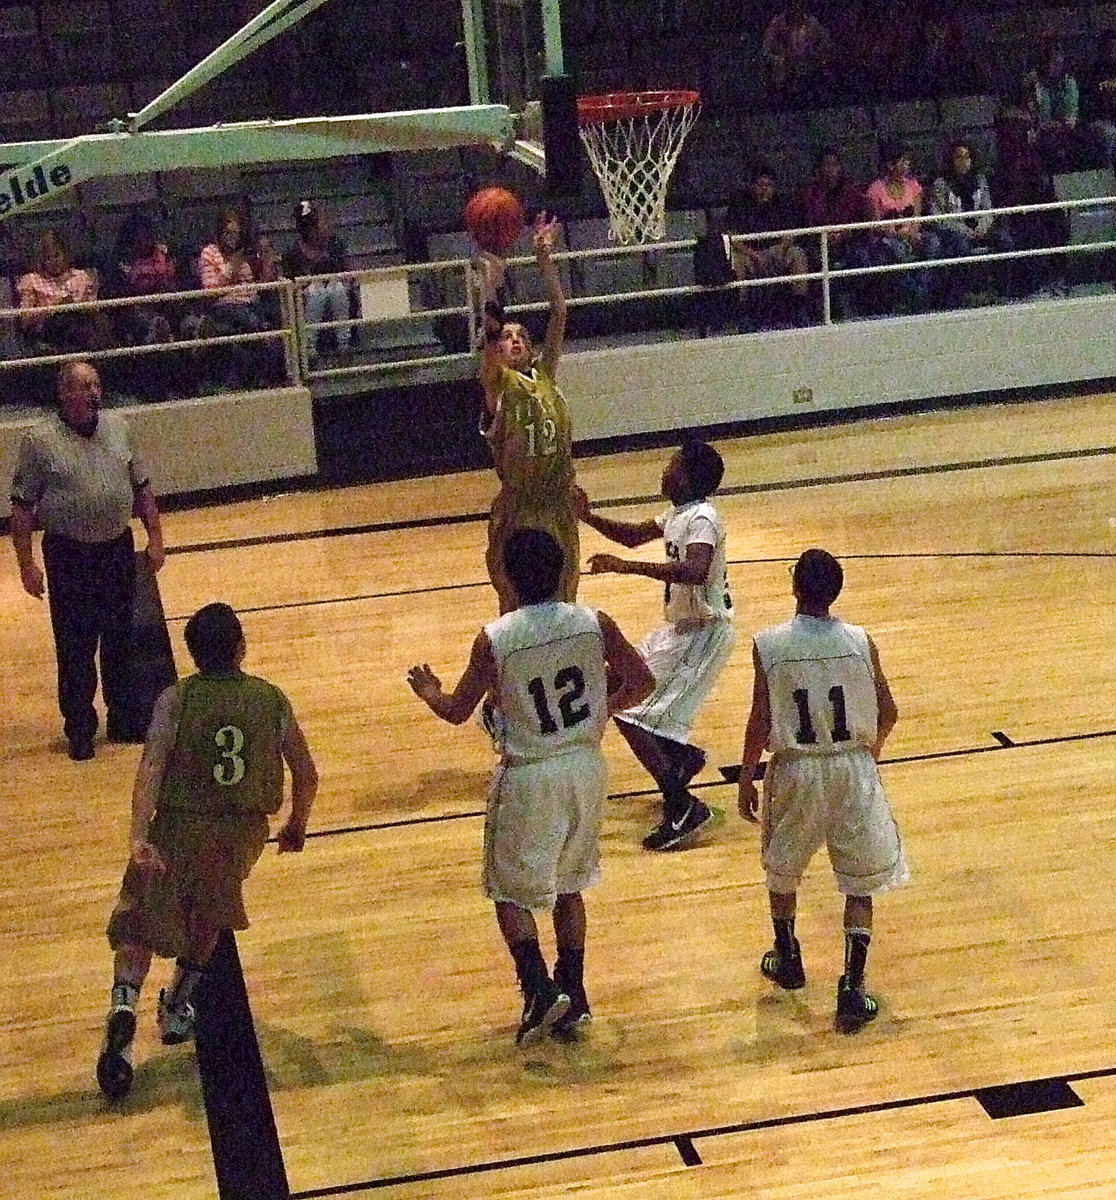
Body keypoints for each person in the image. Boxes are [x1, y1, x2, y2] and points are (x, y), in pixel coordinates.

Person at [407, 528, 654, 1045]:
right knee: (571, 884)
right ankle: (576, 995)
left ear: (507, 576)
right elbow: (643, 682)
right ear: (564, 570)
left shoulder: (496, 637)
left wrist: (430, 693)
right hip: (586, 768)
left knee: (509, 893)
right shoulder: (595, 623)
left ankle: (539, 988)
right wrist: (600, 711)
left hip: (530, 773)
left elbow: (457, 712)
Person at [96, 602, 319, 1100]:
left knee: (139, 924)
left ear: (191, 653)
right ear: (241, 646)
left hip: (177, 827)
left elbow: (151, 768)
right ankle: (176, 1007)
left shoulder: (176, 699)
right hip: (238, 835)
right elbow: (307, 774)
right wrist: (296, 823)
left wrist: (139, 838)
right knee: (208, 920)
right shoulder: (271, 699)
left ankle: (124, 1006)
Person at [737, 549, 908, 1034]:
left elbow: (760, 719)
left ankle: (788, 957)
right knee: (859, 881)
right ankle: (852, 985)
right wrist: (865, 758)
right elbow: (889, 711)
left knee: (783, 867)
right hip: (852, 768)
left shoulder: (769, 644)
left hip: (796, 769)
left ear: (795, 586)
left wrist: (748, 774)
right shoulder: (860, 641)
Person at [572, 441, 735, 852]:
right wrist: (588, 517)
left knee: (630, 708)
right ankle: (679, 758)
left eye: (671, 466)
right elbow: (631, 537)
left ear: (688, 477)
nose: (664, 472)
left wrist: (628, 568)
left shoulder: (704, 518)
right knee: (615, 684)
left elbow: (696, 571)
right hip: (678, 630)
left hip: (703, 631)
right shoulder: (678, 514)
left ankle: (682, 806)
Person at [9, 360, 165, 760]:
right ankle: (79, 726)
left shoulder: (120, 429)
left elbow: (142, 488)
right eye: (84, 386)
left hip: (116, 547)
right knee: (76, 643)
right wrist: (26, 563)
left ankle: (123, 716)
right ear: (64, 394)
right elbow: (23, 507)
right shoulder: (39, 441)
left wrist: (155, 538)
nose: (94, 392)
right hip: (68, 554)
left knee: (119, 638)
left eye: (97, 384)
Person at [477, 212, 578, 613]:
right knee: (517, 604)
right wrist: (490, 286)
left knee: (565, 601)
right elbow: (485, 335)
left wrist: (544, 259)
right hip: (519, 507)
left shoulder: (545, 375)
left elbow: (559, 312)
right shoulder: (497, 384)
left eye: (521, 336)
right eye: (507, 337)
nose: (514, 340)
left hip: (558, 501)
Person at [197, 207, 281, 388]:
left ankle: (263, 378)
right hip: (225, 305)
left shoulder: (245, 255)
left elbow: (259, 284)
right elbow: (210, 290)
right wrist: (231, 268)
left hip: (250, 302)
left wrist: (266, 258)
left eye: (236, 233)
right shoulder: (209, 253)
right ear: (219, 233)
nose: (232, 237)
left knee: (274, 316)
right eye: (228, 233)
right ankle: (261, 333)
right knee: (249, 320)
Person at [725, 163, 811, 328]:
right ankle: (743, 314)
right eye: (760, 185)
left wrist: (782, 247)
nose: (764, 189)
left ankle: (799, 309)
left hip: (776, 253)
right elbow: (732, 237)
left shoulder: (783, 204)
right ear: (752, 186)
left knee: (797, 254)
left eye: (769, 185)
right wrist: (752, 254)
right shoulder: (740, 204)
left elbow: (792, 233)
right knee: (737, 263)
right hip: (749, 254)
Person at [17, 229, 111, 354]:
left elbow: (95, 310)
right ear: (42, 260)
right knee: (64, 318)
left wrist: (83, 305)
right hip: (49, 331)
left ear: (64, 254)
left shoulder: (81, 276)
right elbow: (25, 320)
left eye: (56, 255)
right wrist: (54, 308)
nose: (54, 261)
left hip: (82, 323)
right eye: (48, 258)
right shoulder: (32, 280)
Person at [283, 199, 357, 358]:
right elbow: (290, 282)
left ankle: (344, 343)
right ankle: (309, 346)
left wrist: (346, 281)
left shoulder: (335, 244)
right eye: (307, 225)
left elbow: (349, 272)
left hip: (335, 286)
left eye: (313, 224)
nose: (312, 229)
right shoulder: (293, 252)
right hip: (307, 292)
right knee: (317, 293)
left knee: (336, 290)